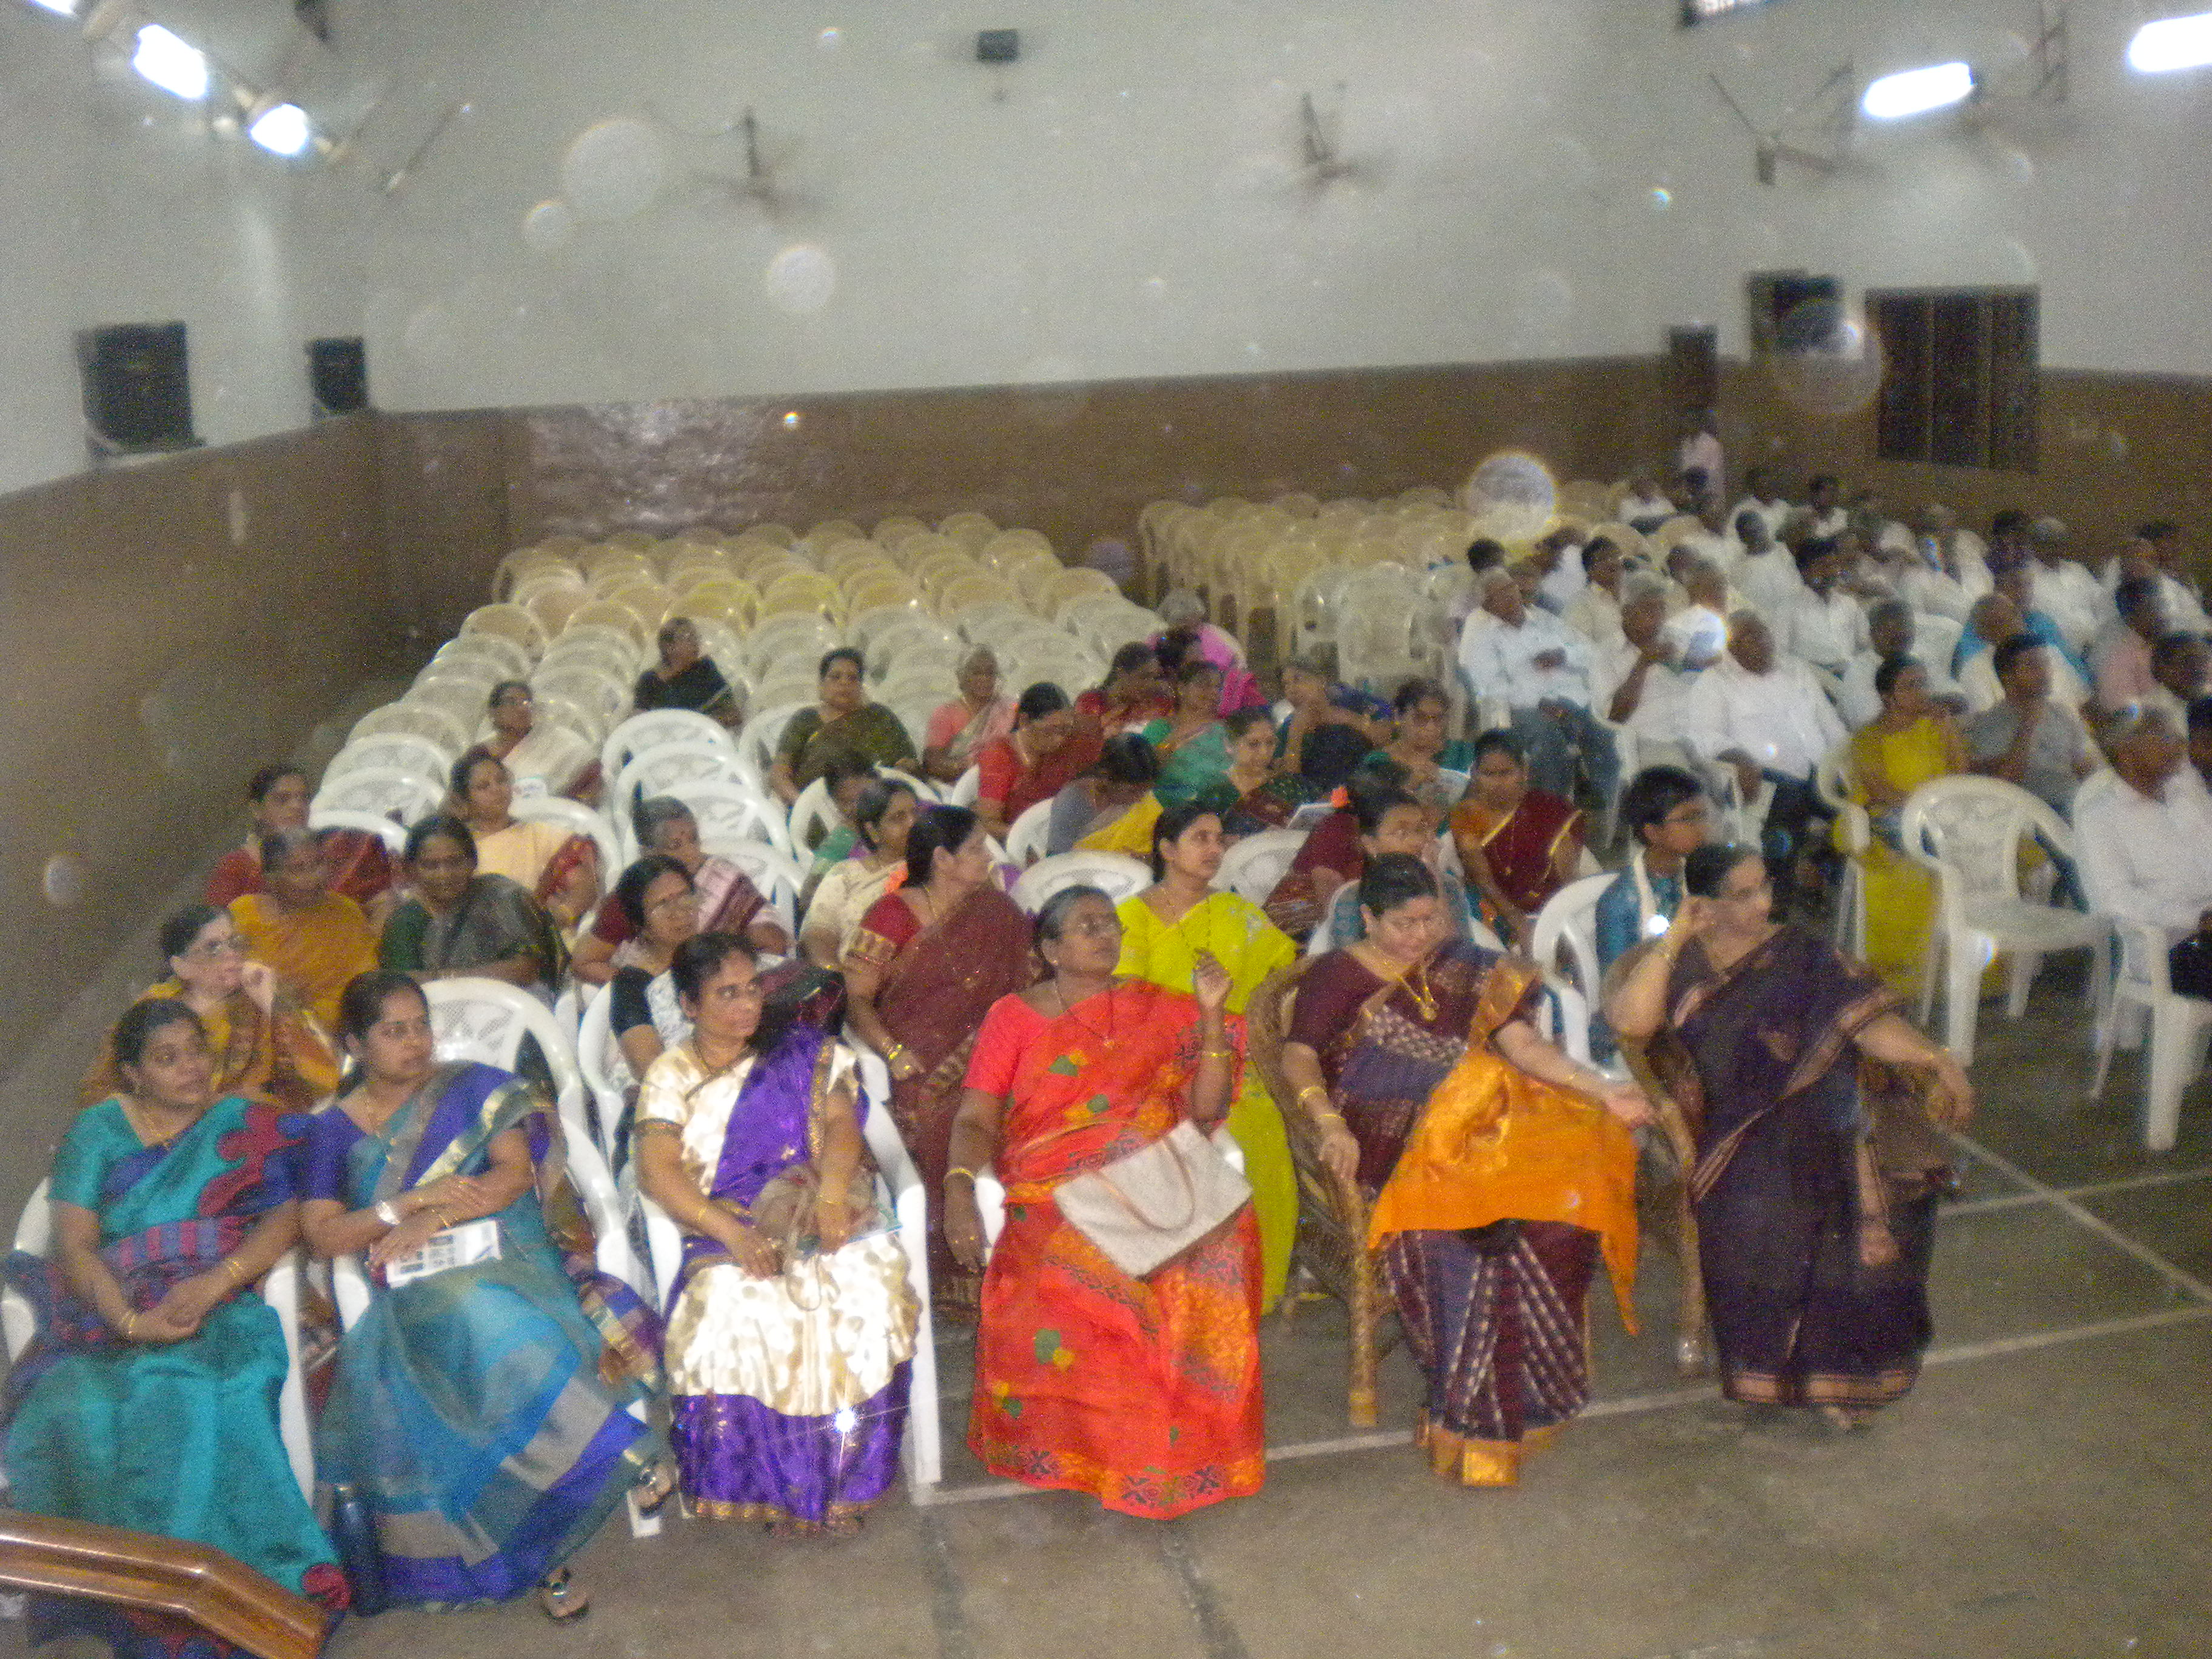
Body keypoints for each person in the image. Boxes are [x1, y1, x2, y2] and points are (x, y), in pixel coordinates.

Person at [301, 972, 666, 1617]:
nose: (415, 1042)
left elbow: (514, 1174)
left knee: (485, 1318)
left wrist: (437, 1218)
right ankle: (556, 1543)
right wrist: (408, 1206)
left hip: (509, 1251)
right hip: (414, 1290)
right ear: (354, 1044)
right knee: (465, 1328)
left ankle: (580, 1504)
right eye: (393, 1031)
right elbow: (326, 1235)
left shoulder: (474, 1086)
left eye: (421, 1026)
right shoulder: (330, 1130)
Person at [1276, 854, 1647, 1485]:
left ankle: (1540, 1389)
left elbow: (1522, 1047)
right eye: (1404, 923)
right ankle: (1470, 1414)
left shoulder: (1467, 965)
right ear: (1368, 918)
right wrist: (1328, 1123)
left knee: (1565, 1187)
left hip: (1475, 1126)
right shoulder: (1338, 975)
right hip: (1385, 1133)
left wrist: (1602, 1087)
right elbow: (1299, 1056)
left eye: (1432, 920)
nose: (1421, 936)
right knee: (1465, 1240)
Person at [4, 1000, 348, 1649]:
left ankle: (239, 1597)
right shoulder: (97, 1131)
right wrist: (131, 1322)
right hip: (109, 1311)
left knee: (199, 1390)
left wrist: (215, 1283)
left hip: (216, 1301)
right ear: (133, 1074)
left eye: (196, 1050)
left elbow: (287, 1213)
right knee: (68, 1405)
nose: (191, 1067)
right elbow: (75, 1244)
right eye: (168, 1059)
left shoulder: (240, 1120)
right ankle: (126, 1600)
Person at [1608, 844, 1974, 1427]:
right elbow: (1631, 1022)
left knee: (1885, 1184)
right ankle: (1790, 1371)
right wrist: (1676, 935)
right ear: (1704, 903)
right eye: (1743, 895)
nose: (1762, 904)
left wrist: (1935, 1057)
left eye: (1765, 888)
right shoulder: (1682, 961)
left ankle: (1843, 1373)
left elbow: (1867, 1022)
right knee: (1782, 1200)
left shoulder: (1802, 952)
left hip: (1822, 1106)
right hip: (1734, 1125)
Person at [947, 887, 1262, 1517]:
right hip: (1056, 1184)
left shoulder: (1160, 1008)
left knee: (1213, 1258)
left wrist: (1210, 1016)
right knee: (1092, 1271)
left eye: (1110, 924)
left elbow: (1205, 1111)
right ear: (1051, 950)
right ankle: (1092, 1451)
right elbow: (977, 1116)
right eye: (1087, 925)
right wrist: (958, 1184)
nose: (1106, 934)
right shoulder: (1013, 1016)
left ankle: (1182, 1457)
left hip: (1152, 1168)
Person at [635, 934, 917, 1533]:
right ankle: (773, 1488)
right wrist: (731, 1234)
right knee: (737, 1302)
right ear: (689, 1006)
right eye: (726, 995)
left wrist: (833, 1197)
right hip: (723, 1219)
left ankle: (841, 1482)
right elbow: (658, 1170)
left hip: (814, 1200)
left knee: (863, 1282)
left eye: (752, 989)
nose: (747, 1006)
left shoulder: (799, 1049)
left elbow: (841, 1126)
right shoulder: (671, 1073)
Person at [842, 806, 1034, 1317]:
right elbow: (856, 999)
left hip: (998, 1045)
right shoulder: (891, 915)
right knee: (939, 1115)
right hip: (915, 1055)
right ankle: (954, 1272)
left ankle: (1028, 1261)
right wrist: (891, 1051)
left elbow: (1028, 986)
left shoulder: (998, 912)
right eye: (976, 848)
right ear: (943, 859)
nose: (988, 856)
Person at [1114, 803, 1298, 1309]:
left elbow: (1282, 977)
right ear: (1167, 850)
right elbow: (1127, 1002)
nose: (1215, 849)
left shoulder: (1238, 911)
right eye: (1200, 838)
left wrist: (1261, 1031)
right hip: (1160, 1063)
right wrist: (1201, 1024)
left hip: (1236, 1056)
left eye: (1220, 839)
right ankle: (1182, 1291)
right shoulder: (1132, 917)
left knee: (1261, 1123)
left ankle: (1255, 1288)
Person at [81, 904, 339, 1111]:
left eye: (234, 942)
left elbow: (323, 1074)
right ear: (182, 967)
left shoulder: (259, 991)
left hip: (255, 1128)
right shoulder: (152, 1012)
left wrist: (273, 1005)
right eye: (213, 947)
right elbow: (103, 1093)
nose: (231, 954)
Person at [1685, 612, 1847, 903]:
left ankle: (1822, 879)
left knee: (1862, 813)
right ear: (1731, 647)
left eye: (1762, 632)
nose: (1759, 640)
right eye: (1747, 637)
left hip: (1820, 769)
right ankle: (1778, 904)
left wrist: (1851, 763)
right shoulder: (1715, 682)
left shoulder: (1796, 670)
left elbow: (1830, 725)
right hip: (1765, 777)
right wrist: (1737, 756)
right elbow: (1703, 735)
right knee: (1788, 811)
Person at [574, 796, 786, 984]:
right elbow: (585, 963)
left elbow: (773, 940)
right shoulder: (631, 896)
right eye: (676, 846)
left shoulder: (723, 875)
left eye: (694, 839)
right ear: (648, 853)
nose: (691, 852)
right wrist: (644, 989)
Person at [1846, 659, 1964, 992]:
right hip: (1889, 815)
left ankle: (1963, 955)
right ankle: (1909, 968)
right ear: (1888, 697)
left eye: (1924, 683)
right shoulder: (1869, 737)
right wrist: (1925, 809)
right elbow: (1880, 790)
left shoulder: (1936, 725)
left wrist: (1948, 732)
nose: (1922, 692)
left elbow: (1960, 773)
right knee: (1944, 851)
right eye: (1911, 686)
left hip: (1939, 811)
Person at [1459, 569, 1620, 805]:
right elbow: (1490, 689)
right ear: (1488, 607)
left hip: (1571, 698)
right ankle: (1551, 811)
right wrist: (1539, 702)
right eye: (1499, 594)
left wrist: (1564, 656)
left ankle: (1607, 809)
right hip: (1524, 709)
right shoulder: (1485, 640)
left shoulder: (1546, 621)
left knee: (1604, 734)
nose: (1509, 596)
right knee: (1549, 742)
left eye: (1510, 587)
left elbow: (1591, 653)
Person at [378, 816, 565, 993]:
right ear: (411, 870)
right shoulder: (405, 923)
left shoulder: (501, 897)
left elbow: (527, 970)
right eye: (430, 866)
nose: (444, 874)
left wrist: (448, 978)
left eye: (455, 862)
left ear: (472, 862)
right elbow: (402, 986)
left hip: (519, 1004)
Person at [2074, 711, 2212, 935]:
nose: (2179, 746)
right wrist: (2197, 919)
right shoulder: (2099, 816)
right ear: (2126, 752)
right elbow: (2114, 899)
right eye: (2164, 738)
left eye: (2177, 738)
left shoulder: (2187, 792)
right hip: (2177, 937)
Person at [227, 827, 378, 1028]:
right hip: (255, 1028)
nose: (314, 877)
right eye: (298, 869)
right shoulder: (242, 914)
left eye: (318, 864)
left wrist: (305, 1017)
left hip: (333, 1029)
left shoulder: (345, 913)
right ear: (270, 879)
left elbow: (365, 986)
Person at [1449, 730, 1583, 948]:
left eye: (1506, 773)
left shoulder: (1552, 810)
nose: (1498, 783)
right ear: (1474, 774)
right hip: (1493, 910)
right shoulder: (1466, 815)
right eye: (1488, 774)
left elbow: (1568, 880)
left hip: (1551, 909)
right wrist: (1519, 923)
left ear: (1524, 772)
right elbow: (1483, 881)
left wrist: (1559, 921)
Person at [206, 763, 394, 919]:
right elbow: (217, 928)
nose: (297, 806)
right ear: (257, 810)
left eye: (304, 798)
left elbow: (382, 901)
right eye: (282, 800)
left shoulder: (342, 847)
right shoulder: (236, 868)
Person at [448, 746, 600, 933]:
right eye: (483, 787)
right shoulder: (458, 849)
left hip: (544, 935)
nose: (496, 789)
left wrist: (561, 916)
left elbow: (584, 884)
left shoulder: (541, 834)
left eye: (501, 780)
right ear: (465, 800)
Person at [1259, 753, 1406, 938]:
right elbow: (1326, 883)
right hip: (1298, 929)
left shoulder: (1376, 830)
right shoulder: (1339, 827)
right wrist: (1343, 938)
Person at [1319, 788, 1480, 950]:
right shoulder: (1352, 897)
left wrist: (1434, 876)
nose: (1417, 842)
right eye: (1401, 833)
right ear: (1370, 844)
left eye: (1419, 830)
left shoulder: (1448, 887)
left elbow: (1462, 954)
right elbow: (1351, 960)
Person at [1962, 638, 2099, 817]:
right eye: (2033, 666)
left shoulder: (2060, 713)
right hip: (2033, 815)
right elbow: (2002, 786)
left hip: (2077, 805)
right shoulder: (1991, 725)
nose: (2044, 672)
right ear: (2008, 677)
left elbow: (2083, 767)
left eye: (2045, 664)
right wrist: (2028, 726)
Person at [1593, 766, 1709, 976]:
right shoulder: (1619, 902)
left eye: (1701, 816)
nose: (1701, 827)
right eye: (1688, 819)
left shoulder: (1702, 877)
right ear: (1653, 832)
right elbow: (1616, 982)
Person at [602, 854, 700, 1091]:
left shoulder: (716, 956)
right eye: (662, 904)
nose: (679, 912)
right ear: (640, 924)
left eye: (684, 896)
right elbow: (649, 1068)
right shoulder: (631, 987)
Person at [769, 648, 917, 803]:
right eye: (835, 677)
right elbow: (779, 774)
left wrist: (883, 798)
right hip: (817, 806)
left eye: (853, 678)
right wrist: (803, 805)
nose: (844, 683)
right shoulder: (805, 719)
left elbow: (909, 764)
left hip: (877, 805)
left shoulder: (879, 716)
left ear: (861, 686)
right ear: (821, 685)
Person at [800, 779, 919, 966]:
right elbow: (817, 935)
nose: (913, 823)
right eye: (898, 818)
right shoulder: (846, 874)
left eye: (916, 813)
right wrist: (836, 976)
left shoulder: (939, 866)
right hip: (849, 974)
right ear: (873, 832)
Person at [976, 681, 1101, 839]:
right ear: (1024, 721)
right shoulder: (999, 755)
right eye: (1052, 730)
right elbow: (988, 823)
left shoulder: (1069, 747)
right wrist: (1028, 837)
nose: (1061, 740)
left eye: (1065, 730)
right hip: (1015, 839)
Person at [1596, 578, 1697, 771]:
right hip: (1649, 743)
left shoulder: (1672, 641)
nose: (1659, 617)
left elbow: (1700, 673)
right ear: (1627, 612)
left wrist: (1691, 662)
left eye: (1662, 609)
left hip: (1692, 734)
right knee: (1678, 766)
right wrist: (1643, 663)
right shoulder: (1606, 654)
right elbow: (1614, 717)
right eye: (1650, 610)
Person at [1837, 601, 1962, 729]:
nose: (1901, 634)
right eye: (1890, 629)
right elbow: (1875, 724)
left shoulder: (1920, 656)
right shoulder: (1858, 673)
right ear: (1873, 634)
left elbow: (1958, 698)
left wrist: (1915, 708)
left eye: (1906, 626)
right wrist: (1931, 706)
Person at [1046, 731, 1163, 856]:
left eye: (1145, 791)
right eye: (1133, 791)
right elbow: (1057, 858)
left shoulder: (1142, 798)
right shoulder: (1072, 803)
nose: (1139, 799)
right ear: (1106, 777)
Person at [481, 680, 600, 802]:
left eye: (526, 703)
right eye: (511, 702)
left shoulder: (557, 741)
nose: (522, 709)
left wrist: (564, 802)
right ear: (493, 712)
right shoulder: (481, 752)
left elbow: (592, 768)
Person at [1141, 659, 1231, 806]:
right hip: (1167, 809)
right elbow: (1144, 771)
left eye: (1218, 687)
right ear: (1182, 688)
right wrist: (1185, 731)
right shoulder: (1160, 728)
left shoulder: (1225, 731)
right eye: (1204, 684)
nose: (1214, 692)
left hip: (1214, 809)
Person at [1211, 708, 1313, 836]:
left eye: (1270, 743)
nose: (1264, 752)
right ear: (1229, 745)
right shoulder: (1216, 792)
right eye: (1254, 744)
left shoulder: (1288, 784)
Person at [921, 646, 1015, 784]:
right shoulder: (945, 713)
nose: (984, 679)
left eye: (990, 673)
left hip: (1003, 782)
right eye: (976, 673)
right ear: (961, 677)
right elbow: (933, 763)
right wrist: (974, 766)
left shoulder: (1009, 710)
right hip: (955, 786)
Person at [1156, 588, 1259, 711]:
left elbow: (1236, 669)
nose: (1193, 630)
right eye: (1185, 625)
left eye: (1196, 623)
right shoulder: (1160, 638)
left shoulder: (1216, 636)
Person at [1781, 540, 1871, 678]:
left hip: (1850, 675)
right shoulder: (1788, 609)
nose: (1831, 572)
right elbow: (1781, 655)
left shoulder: (1849, 604)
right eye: (1822, 566)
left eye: (1834, 565)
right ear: (1804, 572)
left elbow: (1865, 643)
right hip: (1812, 679)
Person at [1274, 646, 1374, 768]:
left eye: (1298, 680)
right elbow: (1287, 776)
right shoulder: (1287, 728)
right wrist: (1296, 736)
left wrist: (1350, 719)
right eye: (1286, 685)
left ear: (1321, 681)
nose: (1291, 690)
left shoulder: (1352, 702)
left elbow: (1387, 740)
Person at [634, 616, 739, 725]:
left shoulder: (705, 669)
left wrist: (699, 723)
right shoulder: (649, 681)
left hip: (707, 731)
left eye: (696, 637)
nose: (695, 643)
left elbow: (734, 714)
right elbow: (638, 723)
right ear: (668, 647)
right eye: (687, 638)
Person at [1381, 677, 1464, 814]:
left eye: (1438, 719)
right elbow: (1371, 814)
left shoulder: (1462, 754)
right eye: (1420, 718)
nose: (1431, 727)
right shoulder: (1379, 763)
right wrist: (1409, 787)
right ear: (1398, 716)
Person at [2025, 518, 2108, 655]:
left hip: (2097, 650)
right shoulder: (2025, 577)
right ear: (2034, 545)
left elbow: (2102, 604)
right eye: (2048, 544)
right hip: (2054, 656)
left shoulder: (2078, 571)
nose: (2054, 549)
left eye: (2058, 543)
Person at [2091, 575, 2167, 713]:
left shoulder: (2177, 646)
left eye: (2161, 605)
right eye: (2150, 609)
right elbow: (2124, 710)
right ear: (2130, 618)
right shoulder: (2119, 658)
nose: (2160, 614)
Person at [1074, 641, 1173, 737]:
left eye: (1154, 678)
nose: (1150, 684)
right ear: (1121, 673)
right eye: (1144, 677)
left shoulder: (1151, 707)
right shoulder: (1090, 702)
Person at [1731, 510, 1804, 620]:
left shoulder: (1783, 550)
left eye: (1759, 529)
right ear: (1742, 538)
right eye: (1751, 533)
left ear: (1765, 527)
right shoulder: (1740, 569)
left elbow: (1798, 584)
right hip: (1767, 620)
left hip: (1796, 614)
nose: (1758, 536)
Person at [1561, 534, 1626, 649]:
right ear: (1590, 570)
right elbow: (1578, 648)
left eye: (1616, 557)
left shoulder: (1633, 595)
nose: (1612, 563)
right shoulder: (1581, 603)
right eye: (1603, 559)